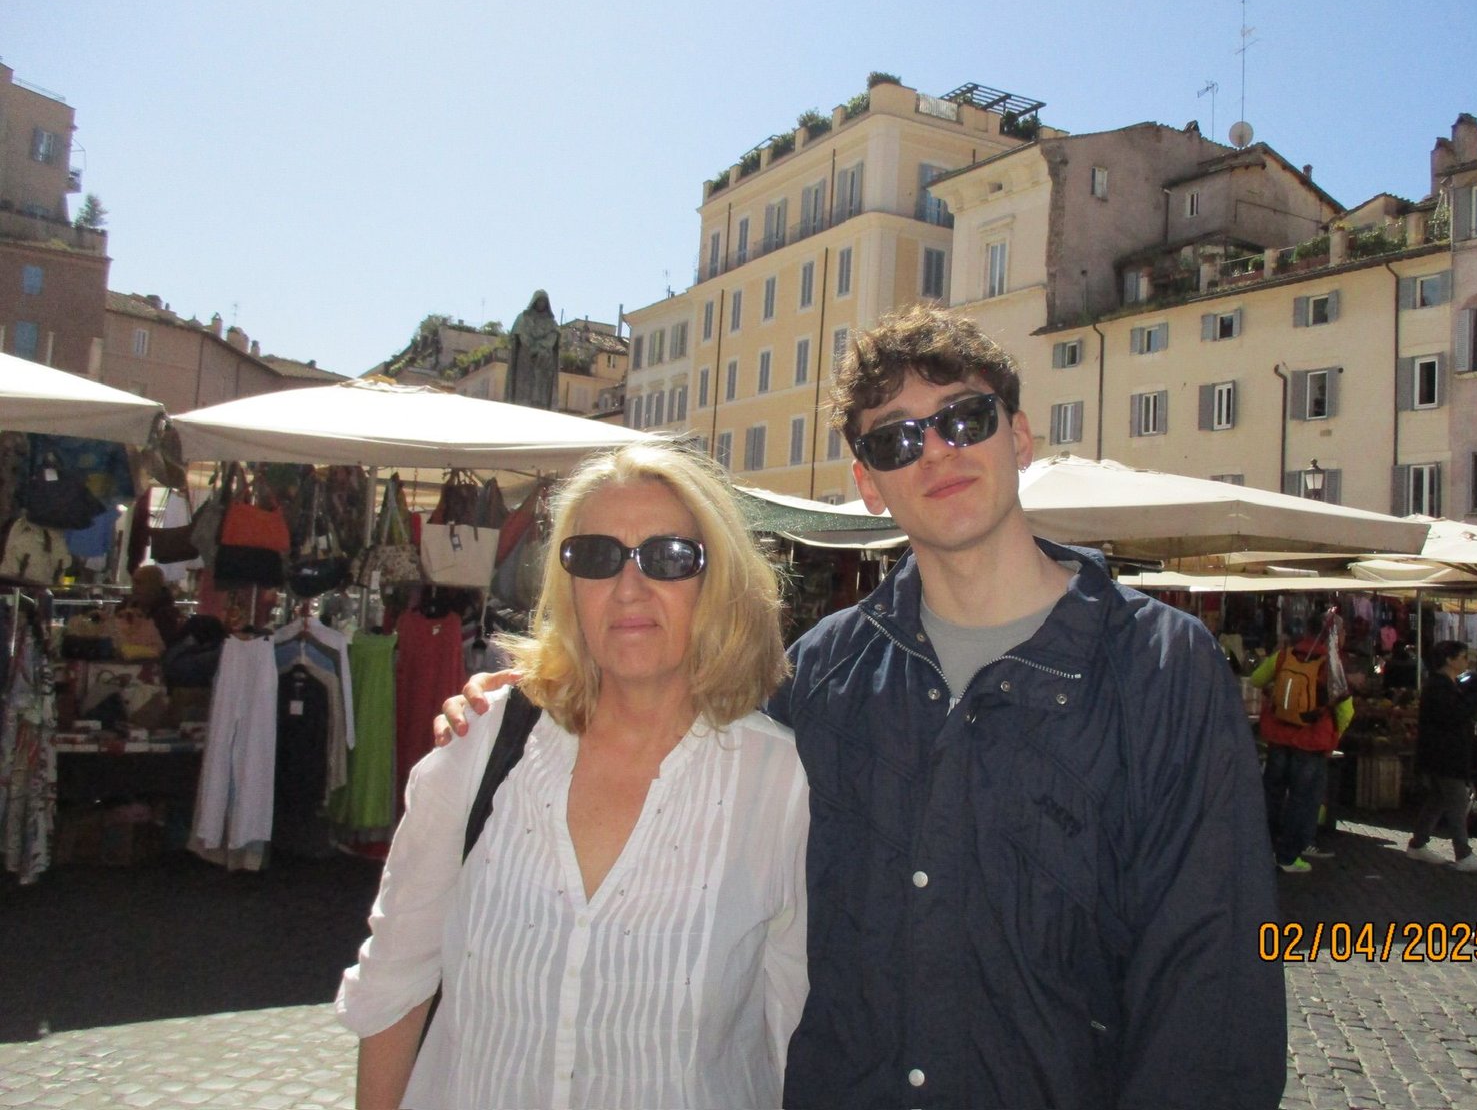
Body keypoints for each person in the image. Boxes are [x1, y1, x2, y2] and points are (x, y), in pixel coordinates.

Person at [441, 305, 1287, 1108]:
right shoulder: (821, 673)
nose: (936, 453)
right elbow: (672, 735)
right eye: (896, 439)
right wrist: (532, 702)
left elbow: (1212, 993)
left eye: (963, 419)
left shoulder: (1163, 668)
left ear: (1020, 435)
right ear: (869, 483)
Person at [337, 441, 808, 1109]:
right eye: (596, 557)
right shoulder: (483, 744)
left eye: (669, 557)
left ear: (718, 582)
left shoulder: (781, 782)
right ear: (567, 584)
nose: (628, 587)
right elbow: (394, 982)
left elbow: (793, 1024)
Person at [1252, 610, 1354, 873]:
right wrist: (1334, 738)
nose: (1344, 636)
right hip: (1311, 743)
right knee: (1303, 802)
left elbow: (1256, 679)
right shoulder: (1330, 663)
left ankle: (1261, 850)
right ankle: (1288, 857)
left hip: (1277, 739)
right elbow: (1346, 710)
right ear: (1332, 634)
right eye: (1342, 631)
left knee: (1272, 796)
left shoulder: (1284, 655)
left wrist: (1275, 694)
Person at [1404, 640, 1477, 871]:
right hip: (1444, 754)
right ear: (1449, 659)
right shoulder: (1438, 686)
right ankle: (1463, 853)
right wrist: (1475, 700)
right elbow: (1452, 715)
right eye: (1463, 657)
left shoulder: (1447, 684)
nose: (1467, 662)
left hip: (1443, 753)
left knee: (1439, 799)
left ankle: (1418, 843)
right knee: (1456, 800)